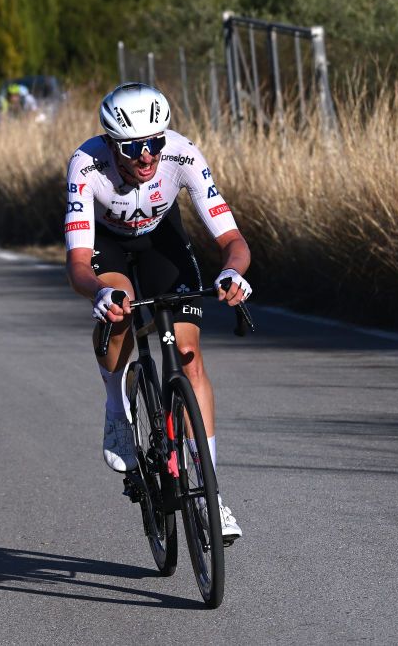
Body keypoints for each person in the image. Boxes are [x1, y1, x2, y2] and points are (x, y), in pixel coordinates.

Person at [64, 82, 252, 542]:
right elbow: (77, 263)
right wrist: (98, 294)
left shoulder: (184, 154)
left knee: (188, 356)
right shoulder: (86, 165)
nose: (146, 156)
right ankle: (117, 405)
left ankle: (211, 495)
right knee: (119, 309)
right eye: (133, 148)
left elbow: (232, 241)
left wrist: (232, 274)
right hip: (106, 247)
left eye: (154, 142)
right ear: (112, 144)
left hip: (161, 241)